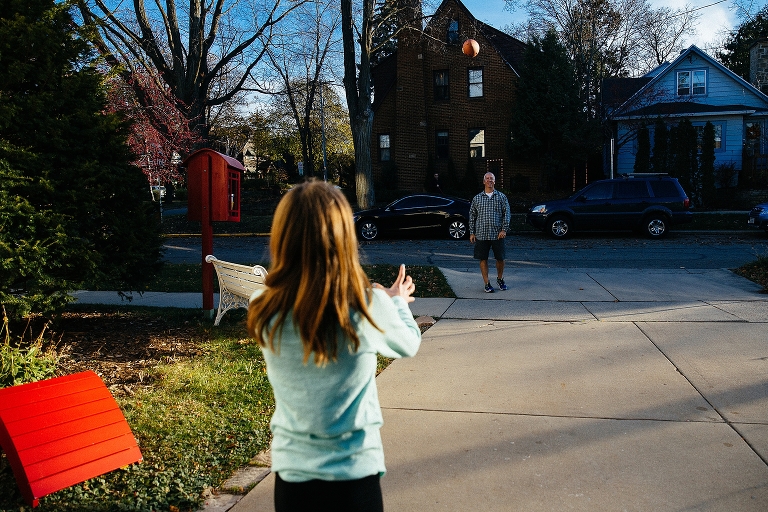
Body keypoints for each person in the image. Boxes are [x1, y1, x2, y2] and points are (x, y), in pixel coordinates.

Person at [247, 180, 422, 512]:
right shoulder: (367, 307)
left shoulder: (263, 307)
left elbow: (309, 304)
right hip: (355, 477)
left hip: (292, 479)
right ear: (343, 238)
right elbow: (408, 344)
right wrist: (397, 302)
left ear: (283, 236)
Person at [469, 172, 511, 293]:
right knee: (483, 259)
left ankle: (500, 279)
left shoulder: (501, 197)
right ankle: (487, 283)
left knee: (500, 258)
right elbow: (472, 216)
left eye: (491, 178)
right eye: (487, 179)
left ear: (494, 181)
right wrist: (472, 232)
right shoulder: (477, 198)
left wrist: (504, 229)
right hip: (481, 234)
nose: (489, 180)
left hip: (497, 234)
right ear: (483, 181)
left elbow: (507, 214)